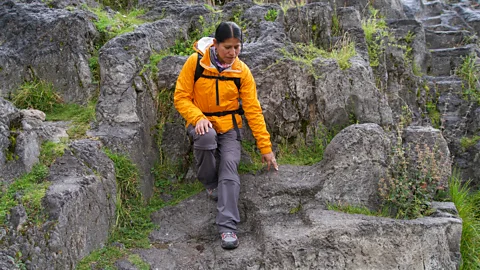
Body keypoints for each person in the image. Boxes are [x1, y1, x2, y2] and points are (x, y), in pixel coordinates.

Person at [174, 21, 278, 250]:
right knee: (205, 138)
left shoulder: (242, 71)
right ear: (215, 44)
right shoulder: (196, 63)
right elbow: (181, 96)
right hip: (202, 122)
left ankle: (227, 227)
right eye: (227, 47)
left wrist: (265, 148)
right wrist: (197, 117)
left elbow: (253, 109)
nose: (232, 53)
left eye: (237, 47)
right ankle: (210, 182)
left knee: (230, 166)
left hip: (230, 127)